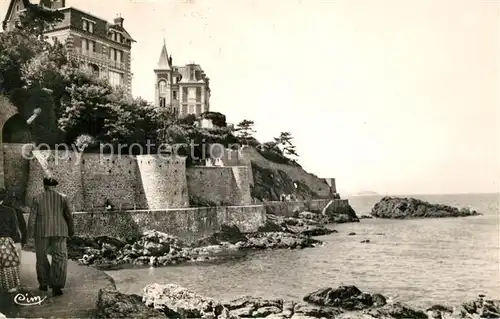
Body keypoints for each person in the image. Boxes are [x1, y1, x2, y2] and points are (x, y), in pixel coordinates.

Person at [27, 177, 74, 297]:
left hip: (41, 232)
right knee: (60, 257)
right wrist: (71, 231)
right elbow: (68, 215)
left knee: (41, 257)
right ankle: (56, 286)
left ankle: (44, 283)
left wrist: (30, 235)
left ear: (44, 186)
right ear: (55, 186)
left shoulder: (37, 198)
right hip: (60, 231)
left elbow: (32, 219)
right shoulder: (63, 198)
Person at [0, 189, 22, 293]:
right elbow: (15, 229)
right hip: (5, 242)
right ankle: (10, 286)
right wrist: (17, 241)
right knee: (8, 264)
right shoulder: (10, 211)